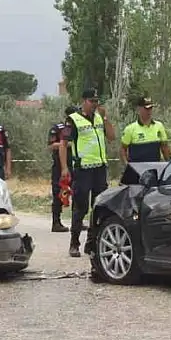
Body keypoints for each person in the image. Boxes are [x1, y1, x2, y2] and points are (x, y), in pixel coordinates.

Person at [59, 88, 115, 259]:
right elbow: (63, 143)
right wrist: (64, 168)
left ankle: (92, 243)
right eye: (91, 101)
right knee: (80, 207)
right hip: (83, 169)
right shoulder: (73, 120)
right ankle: (74, 243)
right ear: (84, 101)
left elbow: (112, 137)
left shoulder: (99, 117)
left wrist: (105, 118)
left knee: (99, 208)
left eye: (96, 101)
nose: (94, 104)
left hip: (99, 168)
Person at [47, 105, 79, 233]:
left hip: (76, 164)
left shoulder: (78, 129)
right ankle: (56, 222)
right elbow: (51, 145)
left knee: (77, 193)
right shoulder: (59, 128)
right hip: (60, 165)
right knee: (58, 193)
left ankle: (77, 221)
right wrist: (65, 144)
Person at [121, 96, 171, 163]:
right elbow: (123, 149)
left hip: (154, 168)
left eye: (151, 108)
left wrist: (169, 164)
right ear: (139, 109)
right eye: (146, 109)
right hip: (137, 169)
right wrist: (126, 165)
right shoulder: (130, 129)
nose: (149, 111)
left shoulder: (159, 126)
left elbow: (164, 147)